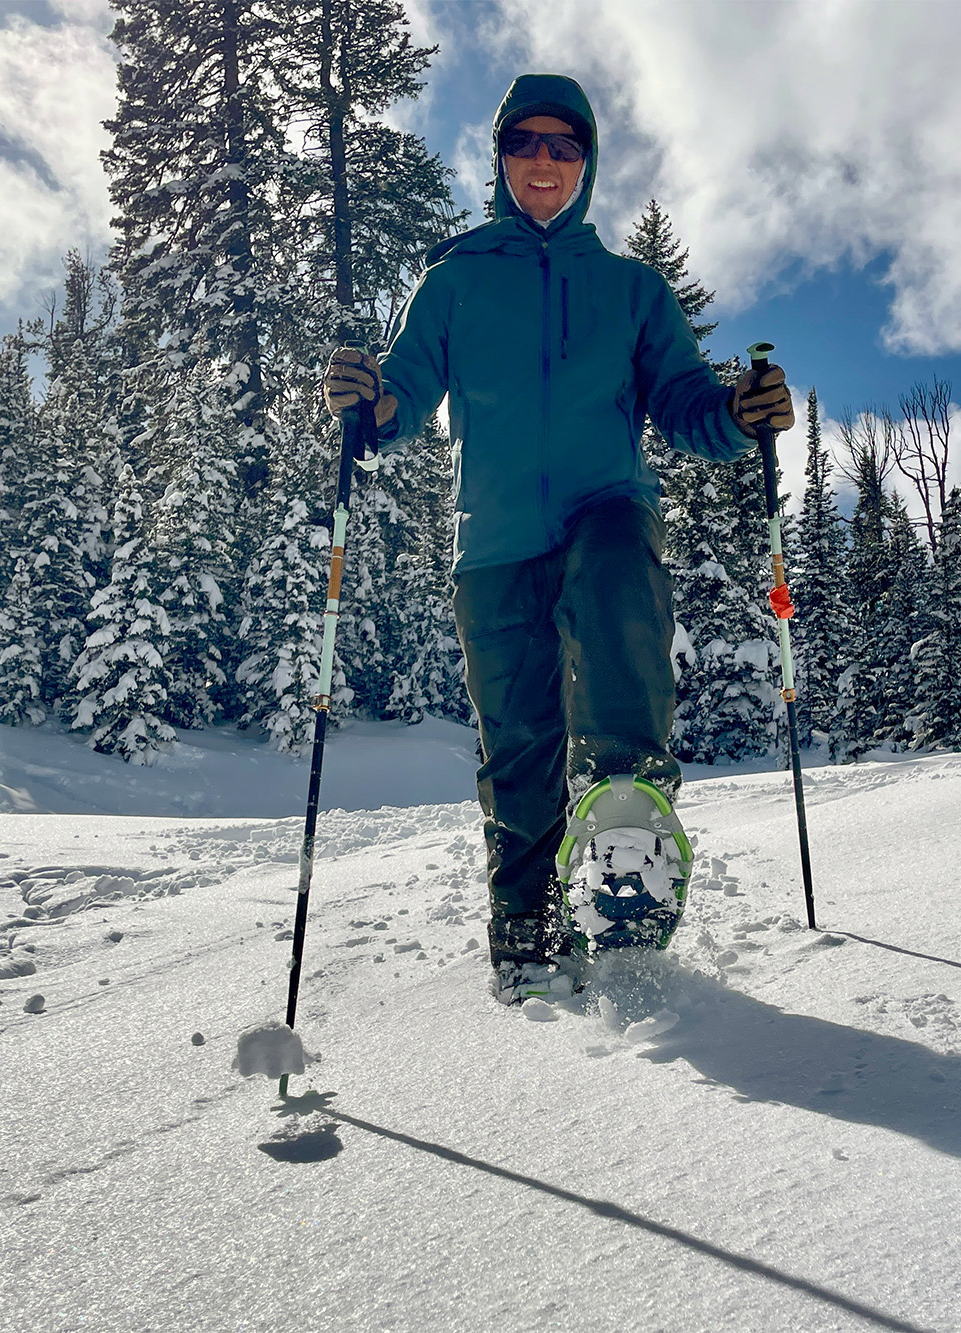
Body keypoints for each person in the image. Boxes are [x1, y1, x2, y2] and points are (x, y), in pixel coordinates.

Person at [322, 73, 793, 1003]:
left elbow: (690, 408)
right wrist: (369, 406)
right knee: (521, 741)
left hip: (602, 504)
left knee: (618, 566)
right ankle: (526, 921)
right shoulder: (454, 282)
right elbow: (407, 393)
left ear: (587, 165)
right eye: (526, 142)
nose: (545, 160)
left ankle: (627, 819)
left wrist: (741, 412)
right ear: (499, 158)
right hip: (491, 544)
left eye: (565, 146)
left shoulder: (631, 291)